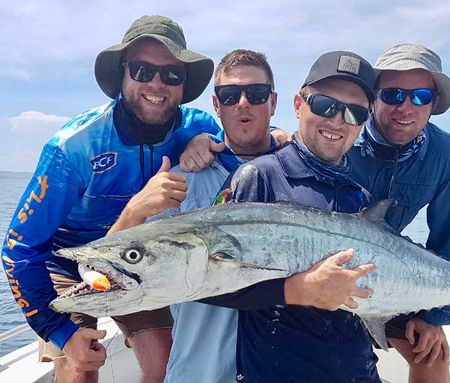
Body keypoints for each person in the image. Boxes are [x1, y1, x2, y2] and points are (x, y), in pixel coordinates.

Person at [1, 15, 222, 383]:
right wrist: (60, 333)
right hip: (67, 265)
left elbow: (251, 138)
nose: (156, 84)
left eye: (171, 75)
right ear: (122, 75)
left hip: (137, 265)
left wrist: (213, 142)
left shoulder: (197, 126)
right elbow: (19, 249)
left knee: (167, 365)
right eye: (142, 70)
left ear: (183, 86)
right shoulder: (73, 148)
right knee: (79, 367)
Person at [209, 50, 381, 382]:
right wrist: (295, 289)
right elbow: (210, 283)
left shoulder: (360, 196)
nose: (336, 120)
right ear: (298, 105)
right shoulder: (256, 178)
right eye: (324, 106)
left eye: (353, 112)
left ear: (362, 124)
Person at [111, 48, 280, 382]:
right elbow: (114, 267)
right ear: (216, 106)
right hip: (199, 371)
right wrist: (134, 210)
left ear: (273, 103)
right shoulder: (179, 181)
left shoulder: (301, 177)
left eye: (257, 95)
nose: (243, 103)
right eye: (230, 96)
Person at [347, 43, 450, 383]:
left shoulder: (448, 155)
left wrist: (434, 316)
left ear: (434, 103)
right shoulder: (342, 136)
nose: (405, 107)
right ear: (373, 97)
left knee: (433, 357)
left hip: (396, 284)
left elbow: (448, 238)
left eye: (420, 97)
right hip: (329, 278)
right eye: (392, 95)